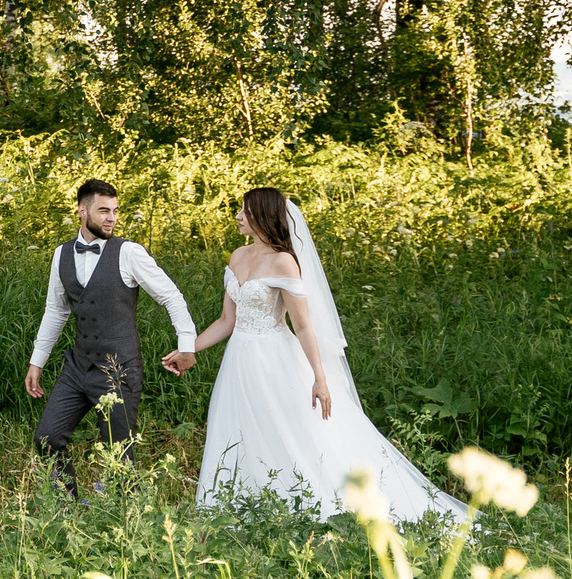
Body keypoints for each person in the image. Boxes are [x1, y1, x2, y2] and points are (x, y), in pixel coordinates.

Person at [190, 186, 465, 520]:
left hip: (275, 359)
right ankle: (245, 500)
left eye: (245, 211)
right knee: (240, 427)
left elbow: (303, 326)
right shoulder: (238, 256)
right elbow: (226, 321)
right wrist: (187, 349)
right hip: (239, 361)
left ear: (263, 216)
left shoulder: (284, 262)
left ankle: (303, 500)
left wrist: (320, 377)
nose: (238, 216)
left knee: (288, 430)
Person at [23, 177, 198, 497]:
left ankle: (123, 524)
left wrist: (187, 345)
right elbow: (56, 311)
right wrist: (37, 362)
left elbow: (172, 296)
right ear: (82, 210)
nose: (112, 218)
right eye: (103, 211)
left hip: (119, 370)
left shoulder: (129, 253)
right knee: (47, 437)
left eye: (115, 211)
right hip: (77, 368)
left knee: (118, 455)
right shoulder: (61, 254)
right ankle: (67, 508)